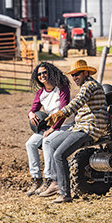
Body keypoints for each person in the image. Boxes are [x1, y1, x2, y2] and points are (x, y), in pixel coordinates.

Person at [43, 59, 110, 203]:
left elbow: (76, 103)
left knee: (59, 154)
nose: (74, 78)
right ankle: (56, 183)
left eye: (77, 74)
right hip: (80, 126)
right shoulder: (86, 85)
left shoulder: (89, 85)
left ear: (86, 72)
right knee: (52, 144)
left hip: (90, 128)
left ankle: (65, 193)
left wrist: (59, 114)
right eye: (72, 75)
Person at [25, 62, 73, 196]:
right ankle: (36, 178)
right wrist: (30, 114)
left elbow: (64, 111)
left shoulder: (62, 88)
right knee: (30, 144)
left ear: (51, 72)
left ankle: (50, 179)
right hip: (51, 127)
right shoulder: (41, 93)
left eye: (44, 72)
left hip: (65, 125)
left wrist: (53, 128)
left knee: (47, 142)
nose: (42, 76)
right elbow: (33, 109)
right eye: (39, 74)